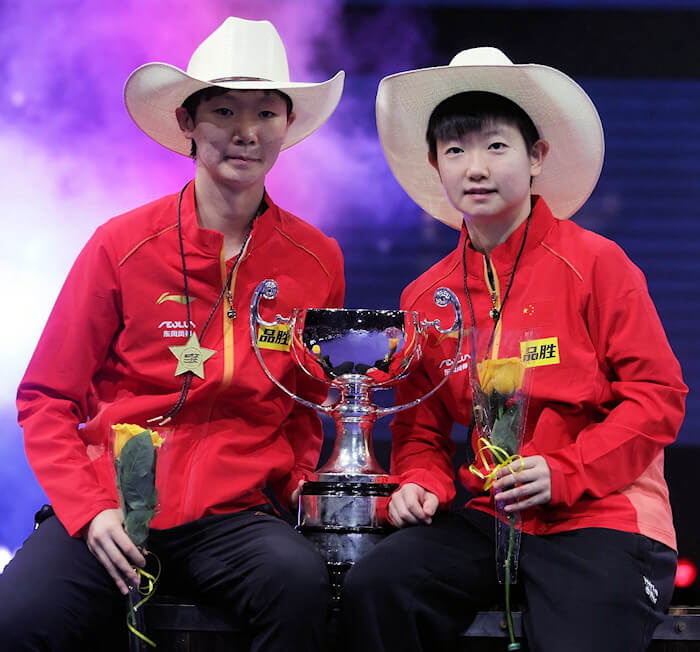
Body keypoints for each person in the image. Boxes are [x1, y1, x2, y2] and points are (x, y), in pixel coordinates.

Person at [1, 17, 345, 652]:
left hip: (236, 517)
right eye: (223, 110)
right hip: (110, 508)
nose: (246, 132)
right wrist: (88, 507)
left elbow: (307, 404)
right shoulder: (122, 244)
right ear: (187, 123)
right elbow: (45, 399)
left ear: (287, 127)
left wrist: (297, 487)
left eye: (266, 113)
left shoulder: (317, 259)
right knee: (15, 620)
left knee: (301, 590)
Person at [341, 47, 686, 652]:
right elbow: (421, 429)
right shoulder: (427, 296)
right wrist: (422, 483)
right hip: (492, 517)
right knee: (378, 587)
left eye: (496, 146)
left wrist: (564, 471)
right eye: (456, 150)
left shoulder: (598, 265)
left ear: (536, 158)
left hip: (602, 516)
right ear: (435, 167)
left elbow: (658, 400)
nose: (475, 167)